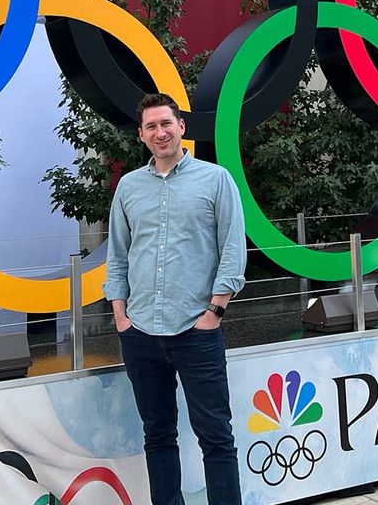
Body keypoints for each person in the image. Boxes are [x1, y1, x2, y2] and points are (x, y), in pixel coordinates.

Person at [104, 91, 247, 505]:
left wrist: (215, 312)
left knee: (217, 438)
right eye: (151, 126)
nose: (160, 132)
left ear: (181, 127)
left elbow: (233, 250)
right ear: (141, 135)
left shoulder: (216, 179)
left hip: (196, 331)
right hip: (141, 332)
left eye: (166, 123)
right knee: (158, 436)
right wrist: (120, 315)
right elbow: (118, 252)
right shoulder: (129, 187)